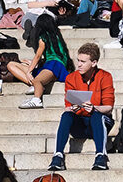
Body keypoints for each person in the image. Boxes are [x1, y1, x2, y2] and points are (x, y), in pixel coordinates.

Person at [49, 43, 117, 173]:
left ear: (94, 63)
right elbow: (67, 107)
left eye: (83, 61)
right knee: (66, 116)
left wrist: (93, 108)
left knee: (98, 115)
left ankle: (101, 156)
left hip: (98, 122)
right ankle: (57, 155)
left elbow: (108, 107)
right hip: (80, 122)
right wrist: (73, 108)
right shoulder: (71, 78)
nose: (79, 64)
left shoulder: (105, 76)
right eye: (78, 60)